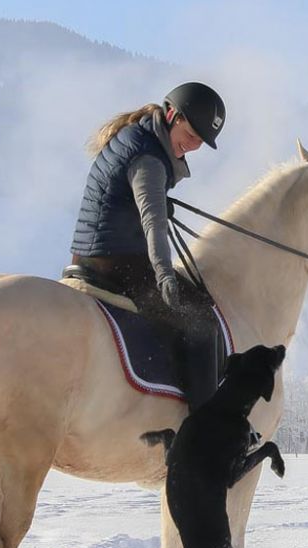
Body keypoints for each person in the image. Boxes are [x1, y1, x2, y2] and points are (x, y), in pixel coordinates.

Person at [66, 82, 228, 405]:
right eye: (192, 135)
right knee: (202, 323)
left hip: (94, 253)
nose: (194, 146)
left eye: (200, 141)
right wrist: (164, 273)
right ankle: (205, 434)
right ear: (172, 115)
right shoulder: (150, 159)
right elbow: (153, 221)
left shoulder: (138, 138)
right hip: (115, 264)